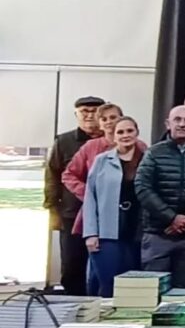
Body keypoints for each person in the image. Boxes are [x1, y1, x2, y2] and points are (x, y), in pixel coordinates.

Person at [135, 106, 185, 288]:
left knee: (184, 291)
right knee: (152, 289)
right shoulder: (154, 152)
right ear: (168, 124)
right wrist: (172, 218)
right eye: (177, 119)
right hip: (158, 233)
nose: (182, 124)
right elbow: (143, 188)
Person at [44, 95, 104, 295]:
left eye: (94, 111)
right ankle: (72, 303)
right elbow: (53, 175)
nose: (89, 115)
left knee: (103, 265)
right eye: (84, 111)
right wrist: (52, 208)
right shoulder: (64, 141)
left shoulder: (113, 139)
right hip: (72, 212)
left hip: (105, 214)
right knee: (72, 265)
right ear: (76, 114)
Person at [81, 116, 144, 297]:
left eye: (130, 131)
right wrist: (91, 233)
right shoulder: (101, 161)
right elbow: (90, 197)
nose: (125, 135)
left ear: (137, 133)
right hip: (107, 234)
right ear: (114, 136)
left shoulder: (148, 159)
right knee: (107, 285)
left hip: (138, 231)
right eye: (120, 132)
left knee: (133, 289)